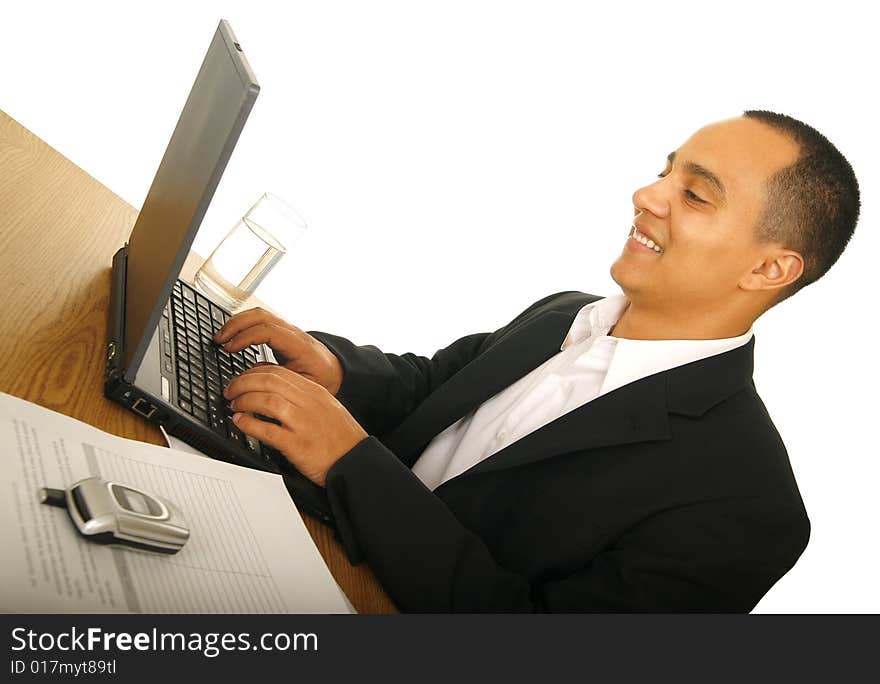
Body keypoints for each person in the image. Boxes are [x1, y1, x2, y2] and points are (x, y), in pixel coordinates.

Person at [213, 110, 860, 612]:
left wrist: (351, 463)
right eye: (666, 169)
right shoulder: (565, 312)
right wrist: (335, 369)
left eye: (695, 195)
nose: (647, 194)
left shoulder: (747, 507)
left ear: (770, 268)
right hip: (296, 541)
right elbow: (436, 388)